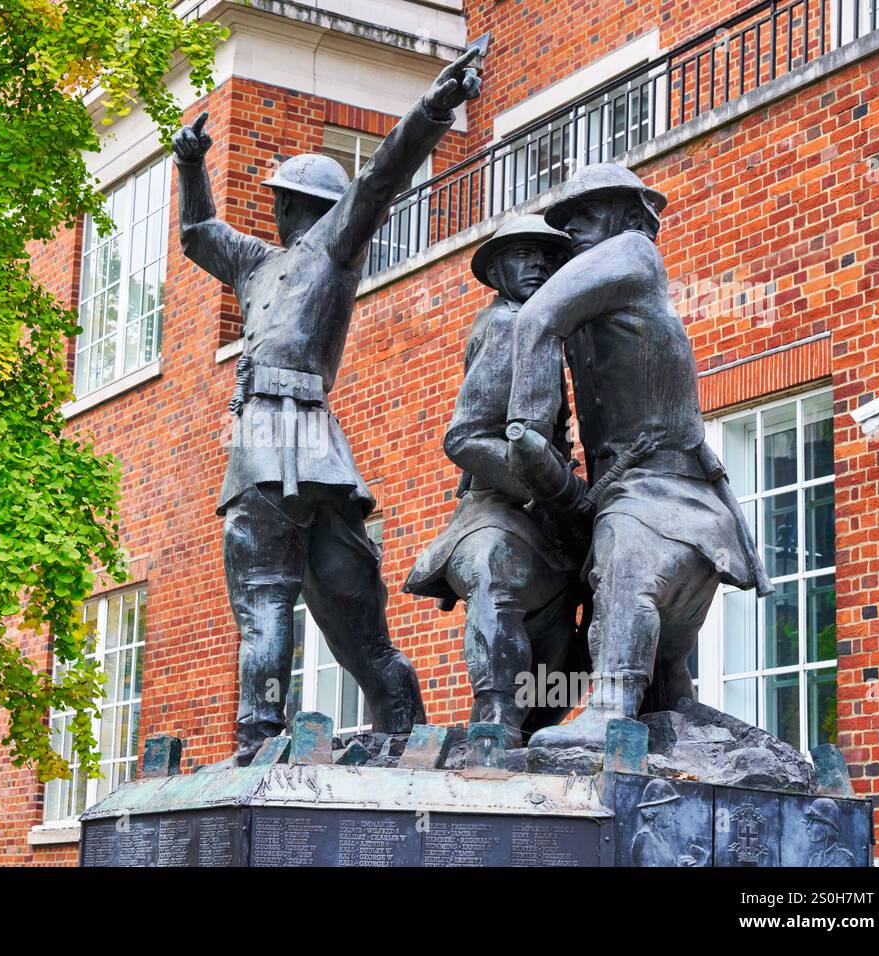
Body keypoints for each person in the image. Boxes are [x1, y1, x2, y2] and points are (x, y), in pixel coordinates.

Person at [172, 49, 483, 764]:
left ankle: (259, 739)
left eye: (280, 197)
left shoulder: (333, 244)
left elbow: (380, 179)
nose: (274, 207)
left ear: (296, 205)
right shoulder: (257, 263)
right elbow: (197, 235)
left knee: (267, 597)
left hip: (281, 440)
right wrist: (190, 166)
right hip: (298, 449)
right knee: (345, 602)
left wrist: (435, 110)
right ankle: (402, 723)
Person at [505, 163, 771, 749]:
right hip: (645, 496)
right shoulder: (599, 290)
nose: (572, 227)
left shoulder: (632, 253)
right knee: (665, 687)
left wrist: (524, 424)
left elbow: (536, 316)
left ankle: (609, 706)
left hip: (656, 499)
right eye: (566, 217)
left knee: (628, 574)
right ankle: (666, 705)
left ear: (629, 216)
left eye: (586, 213)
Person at [403, 215, 586, 746]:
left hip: (552, 516)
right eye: (524, 255)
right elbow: (463, 438)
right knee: (495, 573)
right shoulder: (506, 325)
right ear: (499, 269)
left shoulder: (542, 326)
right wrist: (538, 482)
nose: (538, 265)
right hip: (503, 506)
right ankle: (494, 716)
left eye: (547, 257)